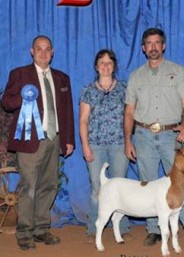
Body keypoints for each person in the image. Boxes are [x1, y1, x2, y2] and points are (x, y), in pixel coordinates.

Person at [124, 27, 184, 251]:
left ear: (164, 46)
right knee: (148, 184)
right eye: (149, 43)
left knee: (181, 186)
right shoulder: (135, 76)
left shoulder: (178, 71)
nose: (153, 47)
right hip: (143, 135)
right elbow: (129, 112)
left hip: (171, 135)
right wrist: (128, 141)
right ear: (143, 48)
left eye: (157, 43)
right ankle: (154, 231)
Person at [1, 35, 75, 250]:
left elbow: (67, 111)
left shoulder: (62, 78)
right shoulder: (20, 74)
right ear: (32, 51)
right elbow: (6, 102)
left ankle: (42, 229)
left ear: (53, 52)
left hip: (54, 138)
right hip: (30, 139)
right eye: (39, 49)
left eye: (47, 49)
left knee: (49, 185)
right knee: (29, 187)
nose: (43, 53)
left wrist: (68, 139)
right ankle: (24, 232)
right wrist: (23, 98)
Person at [79, 49, 131, 243]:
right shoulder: (88, 90)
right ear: (96, 66)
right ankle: (94, 225)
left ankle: (122, 225)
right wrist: (85, 145)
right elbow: (83, 120)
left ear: (114, 66)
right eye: (102, 62)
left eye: (109, 63)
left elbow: (130, 117)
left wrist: (129, 142)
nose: (106, 66)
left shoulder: (124, 89)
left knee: (121, 186)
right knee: (97, 187)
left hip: (119, 144)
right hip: (95, 145)